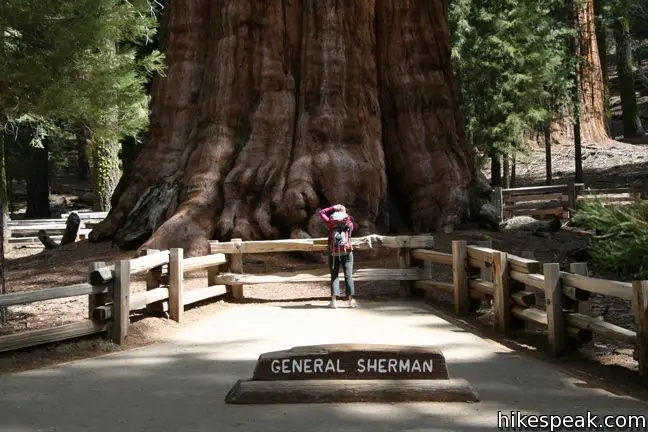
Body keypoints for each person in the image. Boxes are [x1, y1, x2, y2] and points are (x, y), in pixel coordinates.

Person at [318, 204, 357, 308]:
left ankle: (334, 301)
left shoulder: (330, 222)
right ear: (344, 212)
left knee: (334, 276)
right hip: (347, 251)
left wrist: (332, 207)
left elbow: (321, 212)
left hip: (334, 253)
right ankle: (351, 301)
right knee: (348, 276)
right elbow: (352, 231)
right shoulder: (349, 222)